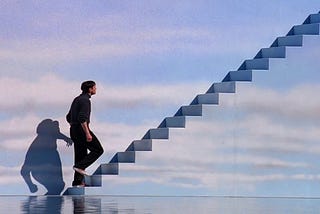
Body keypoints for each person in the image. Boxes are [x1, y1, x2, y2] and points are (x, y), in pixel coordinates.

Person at [66, 80, 104, 187]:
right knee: (98, 150)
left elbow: (68, 117)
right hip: (81, 129)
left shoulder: (77, 99)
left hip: (74, 129)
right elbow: (82, 118)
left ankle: (77, 182)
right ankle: (80, 166)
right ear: (90, 89)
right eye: (95, 87)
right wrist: (87, 133)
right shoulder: (85, 100)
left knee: (80, 155)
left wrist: (73, 127)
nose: (96, 89)